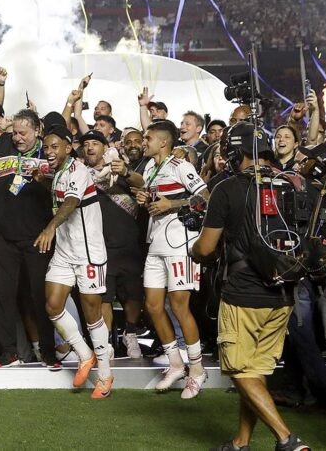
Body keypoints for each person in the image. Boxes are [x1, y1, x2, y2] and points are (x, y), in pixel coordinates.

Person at [191, 125, 310, 451]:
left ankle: (288, 441)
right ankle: (240, 443)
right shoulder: (293, 183)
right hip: (285, 295)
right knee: (255, 371)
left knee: (241, 370)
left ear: (233, 153)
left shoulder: (228, 188)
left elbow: (205, 248)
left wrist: (194, 249)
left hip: (244, 296)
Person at [114, 119, 210, 398]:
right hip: (155, 242)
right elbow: (156, 202)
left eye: (148, 137)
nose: (144, 141)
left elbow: (206, 197)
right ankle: (175, 363)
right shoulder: (152, 169)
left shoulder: (181, 166)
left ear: (164, 142)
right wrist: (147, 199)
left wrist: (174, 204)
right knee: (153, 306)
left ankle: (198, 369)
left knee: (180, 307)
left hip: (180, 243)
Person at [0, 108, 57, 368]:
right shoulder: (5, 143)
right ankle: (8, 352)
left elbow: (61, 190)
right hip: (2, 232)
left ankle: (48, 351)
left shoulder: (49, 151)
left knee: (39, 296)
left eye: (23, 133)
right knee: (3, 295)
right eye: (14, 132)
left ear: (37, 131)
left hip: (37, 235)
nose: (17, 138)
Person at [34, 127, 113, 399]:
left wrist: (49, 228)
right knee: (53, 305)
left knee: (92, 316)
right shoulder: (56, 173)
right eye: (46, 147)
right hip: (66, 252)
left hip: (88, 252)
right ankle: (84, 354)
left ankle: (105, 374)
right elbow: (62, 193)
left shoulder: (78, 170)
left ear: (68, 148)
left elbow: (70, 202)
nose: (49, 151)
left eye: (55, 146)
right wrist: (43, 182)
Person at [79, 130, 144, 359]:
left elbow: (141, 182)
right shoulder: (80, 174)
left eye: (95, 143)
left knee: (134, 294)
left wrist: (124, 170)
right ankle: (106, 343)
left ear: (105, 148)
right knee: (104, 296)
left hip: (129, 243)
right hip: (99, 246)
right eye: (86, 144)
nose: (90, 148)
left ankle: (131, 332)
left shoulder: (120, 168)